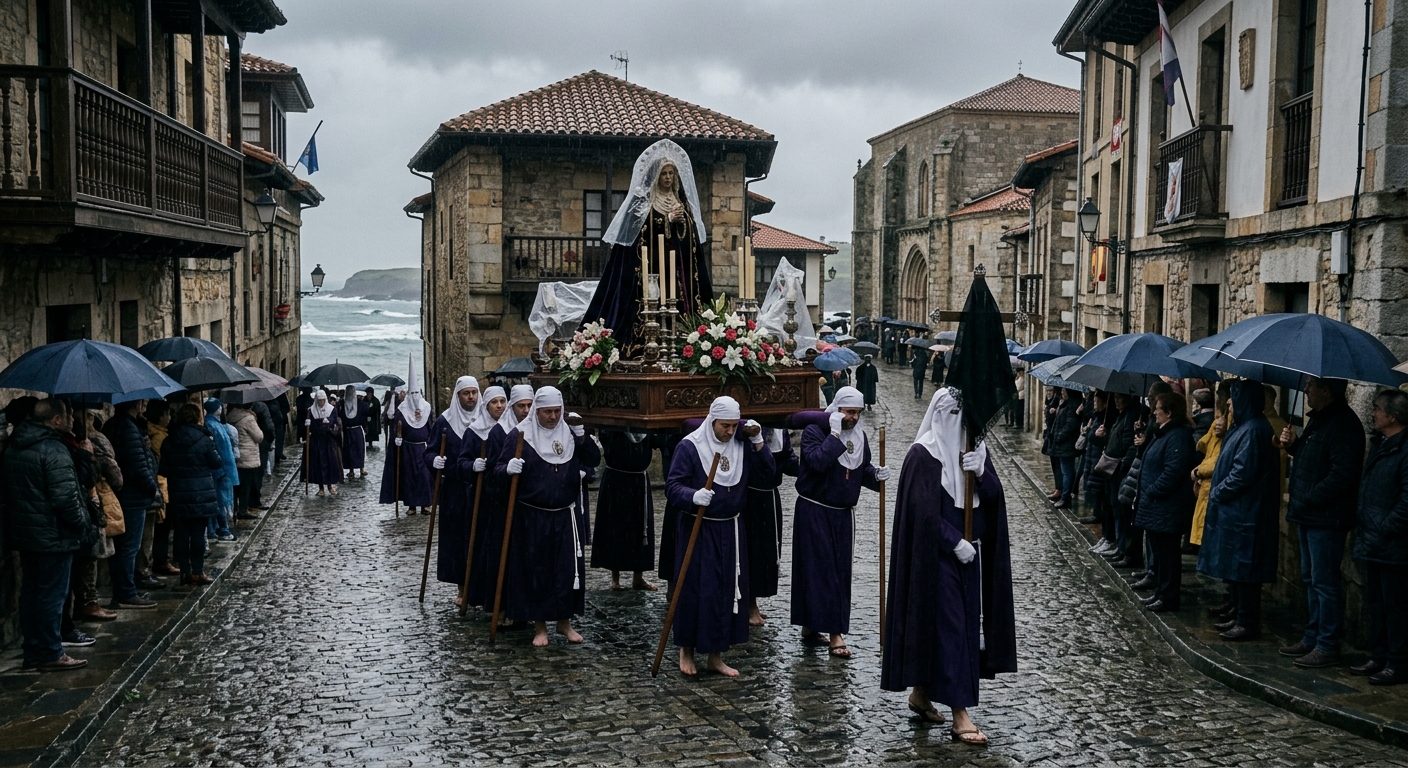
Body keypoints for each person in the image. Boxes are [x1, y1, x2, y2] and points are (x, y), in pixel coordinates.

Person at [882, 388, 1015, 746]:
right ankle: (961, 716)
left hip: (969, 560)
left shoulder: (975, 452)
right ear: (940, 416)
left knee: (958, 631)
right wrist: (954, 541)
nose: (960, 426)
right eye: (954, 416)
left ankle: (921, 694)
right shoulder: (922, 456)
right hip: (935, 561)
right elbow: (920, 513)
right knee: (953, 630)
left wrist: (983, 474)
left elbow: (992, 503)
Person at [665, 397, 774, 676]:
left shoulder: (740, 445)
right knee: (695, 589)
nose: (729, 431)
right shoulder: (690, 447)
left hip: (731, 528)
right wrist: (693, 495)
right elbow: (673, 487)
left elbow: (768, 476)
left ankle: (716, 654)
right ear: (712, 421)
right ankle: (686, 651)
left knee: (726, 591)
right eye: (724, 426)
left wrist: (759, 443)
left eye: (733, 425)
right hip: (699, 529)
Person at [580, 139, 712, 353]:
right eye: (664, 173)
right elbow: (634, 235)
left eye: (671, 173)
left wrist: (682, 222)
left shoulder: (682, 201)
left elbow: (691, 238)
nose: (668, 178)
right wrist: (664, 221)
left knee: (678, 305)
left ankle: (681, 341)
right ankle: (644, 343)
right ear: (655, 175)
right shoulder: (641, 202)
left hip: (677, 270)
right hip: (650, 269)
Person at [791, 386, 890, 659]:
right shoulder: (815, 431)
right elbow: (818, 462)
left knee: (837, 573)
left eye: (857, 413)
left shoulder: (860, 436)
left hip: (842, 515)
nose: (853, 419)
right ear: (836, 410)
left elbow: (862, 469)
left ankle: (815, 627)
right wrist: (834, 433)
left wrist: (876, 476)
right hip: (814, 511)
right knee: (816, 572)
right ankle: (834, 634)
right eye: (848, 412)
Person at [497, 387, 601, 646]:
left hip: (565, 516)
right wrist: (507, 469)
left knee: (566, 570)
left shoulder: (569, 434)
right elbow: (496, 472)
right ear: (537, 412)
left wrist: (583, 438)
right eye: (547, 412)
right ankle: (540, 626)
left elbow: (593, 460)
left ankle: (564, 623)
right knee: (537, 571)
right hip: (532, 516)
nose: (553, 417)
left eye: (557, 411)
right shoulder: (520, 435)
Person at [3, 399, 98, 671]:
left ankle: (34, 649)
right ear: (55, 420)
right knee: (51, 596)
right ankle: (49, 651)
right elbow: (66, 498)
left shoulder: (16, 445)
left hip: (28, 534)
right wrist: (83, 525)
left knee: (32, 593)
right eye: (67, 416)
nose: (72, 421)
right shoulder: (53, 449)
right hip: (53, 535)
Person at [1279, 377, 1364, 668]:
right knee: (1311, 578)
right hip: (1310, 514)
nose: (1305, 391)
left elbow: (1341, 476)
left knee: (1325, 581)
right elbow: (1312, 461)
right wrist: (1294, 446)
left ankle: (1327, 644)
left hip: (1326, 518)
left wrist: (1308, 499)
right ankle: (1312, 635)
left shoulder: (1344, 425)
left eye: (1310, 387)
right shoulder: (1320, 420)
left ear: (1326, 391)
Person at [1199, 381, 1281, 641]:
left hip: (1247, 513)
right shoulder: (1244, 427)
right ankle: (1239, 614)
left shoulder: (1254, 430)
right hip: (1239, 513)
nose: (1229, 404)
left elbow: (1242, 473)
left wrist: (1218, 491)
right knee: (1238, 568)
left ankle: (1247, 621)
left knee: (1246, 569)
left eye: (1234, 399)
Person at [1352, 389, 1408, 685]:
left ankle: (1396, 662)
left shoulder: (1404, 450)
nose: (1372, 414)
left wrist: (1385, 526)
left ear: (1393, 416)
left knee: (1395, 606)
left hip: (1393, 544)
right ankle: (1379, 654)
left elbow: (1406, 501)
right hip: (1373, 540)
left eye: (1376, 409)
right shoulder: (1381, 444)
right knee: (1376, 603)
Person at [464, 384, 531, 612]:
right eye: (521, 406)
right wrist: (501, 471)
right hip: (500, 504)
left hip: (527, 504)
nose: (525, 410)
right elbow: (492, 473)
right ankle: (500, 605)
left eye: (530, 406)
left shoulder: (534, 430)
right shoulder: (498, 433)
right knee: (501, 554)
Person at [1132, 392, 1197, 612]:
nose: (1154, 412)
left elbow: (1173, 471)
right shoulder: (1162, 434)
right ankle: (1160, 591)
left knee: (1169, 555)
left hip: (1166, 506)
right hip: (1157, 507)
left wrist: (1152, 491)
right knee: (1159, 553)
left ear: (1169, 412)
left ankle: (1168, 596)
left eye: (1157, 408)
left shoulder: (1178, 436)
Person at [102, 399, 159, 609]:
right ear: (135, 405)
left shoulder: (114, 424)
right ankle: (126, 592)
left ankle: (126, 589)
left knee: (124, 547)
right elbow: (138, 465)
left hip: (125, 494)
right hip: (132, 496)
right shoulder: (128, 428)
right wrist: (152, 487)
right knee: (129, 547)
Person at [160, 403, 225, 586]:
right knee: (197, 533)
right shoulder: (205, 439)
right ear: (197, 418)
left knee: (181, 534)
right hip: (201, 495)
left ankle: (185, 571)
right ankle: (197, 571)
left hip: (178, 494)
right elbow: (216, 462)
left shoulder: (169, 440)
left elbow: (163, 469)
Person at [428, 376, 481, 597]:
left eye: (474, 393)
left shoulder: (485, 419)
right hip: (455, 491)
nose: (470, 397)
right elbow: (430, 450)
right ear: (457, 395)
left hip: (479, 488)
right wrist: (433, 461)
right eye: (466, 393)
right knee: (458, 540)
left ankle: (480, 587)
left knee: (478, 538)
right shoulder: (444, 422)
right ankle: (462, 587)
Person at [743, 425, 798, 626]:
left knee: (767, 550)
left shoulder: (780, 429)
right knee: (752, 551)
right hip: (749, 496)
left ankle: (754, 600)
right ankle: (749, 605)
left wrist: (808, 467)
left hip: (770, 495)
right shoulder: (748, 431)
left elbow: (787, 459)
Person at [591, 429, 658, 590]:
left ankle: (638, 577)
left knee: (641, 528)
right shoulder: (614, 429)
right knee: (615, 526)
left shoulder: (644, 427)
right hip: (616, 479)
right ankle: (615, 578)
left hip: (638, 479)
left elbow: (657, 441)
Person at [381, 384, 433, 514]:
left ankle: (425, 504)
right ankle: (412, 505)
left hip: (423, 448)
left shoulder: (426, 408)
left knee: (424, 476)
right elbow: (397, 427)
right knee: (409, 477)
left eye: (417, 393)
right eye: (412, 394)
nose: (415, 397)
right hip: (408, 449)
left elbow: (430, 427)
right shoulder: (402, 410)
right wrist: (397, 438)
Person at [143, 401, 178, 580]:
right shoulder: (158, 437)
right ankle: (160, 560)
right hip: (162, 483)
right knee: (162, 526)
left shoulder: (160, 433)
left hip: (162, 483)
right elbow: (164, 461)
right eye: (167, 414)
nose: (169, 418)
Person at [204, 399, 238, 538]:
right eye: (220, 406)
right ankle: (220, 529)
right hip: (220, 469)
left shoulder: (217, 425)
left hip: (223, 468)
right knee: (220, 501)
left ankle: (218, 528)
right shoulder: (211, 425)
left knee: (221, 500)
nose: (222, 409)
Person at [1043, 388, 1082, 509]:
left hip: (1066, 444)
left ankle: (1065, 497)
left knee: (1067, 471)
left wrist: (1059, 436)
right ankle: (1063, 493)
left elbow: (1071, 424)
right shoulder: (1065, 404)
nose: (1062, 393)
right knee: (1065, 470)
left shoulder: (1072, 405)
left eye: (1064, 391)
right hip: (1061, 444)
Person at [227, 404, 264, 521]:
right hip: (248, 456)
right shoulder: (248, 419)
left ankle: (235, 508)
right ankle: (243, 509)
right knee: (246, 486)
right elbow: (259, 437)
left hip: (236, 455)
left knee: (236, 485)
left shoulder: (230, 416)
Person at [304, 390, 343, 495]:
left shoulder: (331, 409)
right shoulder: (311, 411)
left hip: (328, 440)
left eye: (323, 400)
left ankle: (330, 486)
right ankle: (321, 488)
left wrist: (329, 425)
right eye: (319, 400)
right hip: (316, 441)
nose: (321, 402)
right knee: (318, 464)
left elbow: (335, 422)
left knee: (330, 463)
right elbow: (309, 426)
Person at [340, 384, 370, 480]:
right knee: (349, 451)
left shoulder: (361, 404)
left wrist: (365, 426)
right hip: (347, 430)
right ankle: (351, 470)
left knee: (359, 449)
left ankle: (361, 468)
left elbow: (366, 413)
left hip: (357, 430)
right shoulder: (341, 403)